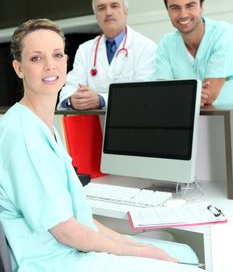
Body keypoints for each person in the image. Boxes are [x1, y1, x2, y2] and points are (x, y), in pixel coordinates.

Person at [0, 19, 202, 272]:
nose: (50, 65)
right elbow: (67, 231)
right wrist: (138, 251)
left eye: (57, 54)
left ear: (66, 60)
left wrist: (135, 247)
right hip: (52, 261)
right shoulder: (22, 134)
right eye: (36, 58)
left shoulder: (43, 126)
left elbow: (79, 220)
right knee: (183, 264)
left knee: (181, 252)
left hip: (68, 247)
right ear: (19, 68)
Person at [57, 0, 157, 110]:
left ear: (126, 12)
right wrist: (72, 100)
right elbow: (71, 86)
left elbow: (143, 93)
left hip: (133, 121)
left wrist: (101, 100)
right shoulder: (85, 50)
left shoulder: (146, 47)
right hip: (93, 125)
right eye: (101, 8)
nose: (108, 12)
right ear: (96, 16)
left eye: (114, 6)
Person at [154, 0, 233, 107]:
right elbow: (161, 93)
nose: (183, 14)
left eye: (190, 6)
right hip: (186, 122)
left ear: (202, 6)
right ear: (167, 11)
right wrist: (189, 96)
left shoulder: (224, 34)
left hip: (226, 121)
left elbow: (209, 95)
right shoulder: (166, 44)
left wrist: (176, 95)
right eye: (175, 7)